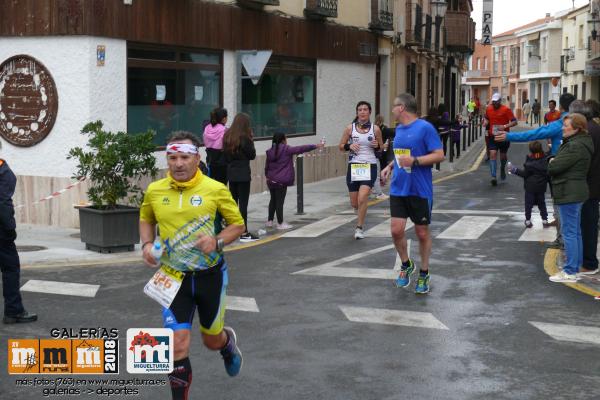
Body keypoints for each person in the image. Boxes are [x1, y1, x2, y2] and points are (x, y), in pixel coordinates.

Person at [138, 131, 246, 400]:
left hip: (210, 276)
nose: (178, 164)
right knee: (177, 344)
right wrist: (147, 245)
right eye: (172, 158)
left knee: (211, 341)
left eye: (184, 157)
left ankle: (226, 344)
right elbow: (145, 218)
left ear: (197, 158)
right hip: (173, 278)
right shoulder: (155, 190)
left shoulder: (215, 189)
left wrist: (217, 242)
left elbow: (238, 225)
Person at [380, 93, 445, 294]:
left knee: (422, 232)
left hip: (420, 189)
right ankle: (406, 265)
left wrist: (415, 161)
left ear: (401, 108)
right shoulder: (399, 129)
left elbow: (439, 155)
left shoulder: (425, 128)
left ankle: (424, 273)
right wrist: (390, 166)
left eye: (393, 106)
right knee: (396, 230)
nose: (391, 110)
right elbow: (402, 155)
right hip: (399, 187)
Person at [495, 93, 577, 248]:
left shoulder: (560, 124)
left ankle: (562, 240)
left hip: (559, 169)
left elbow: (534, 134)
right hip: (580, 173)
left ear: (560, 107)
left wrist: (509, 136)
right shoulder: (583, 124)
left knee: (559, 204)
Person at [547, 113, 593, 283]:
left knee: (570, 233)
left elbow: (555, 167)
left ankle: (570, 271)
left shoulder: (574, 146)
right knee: (575, 232)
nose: (562, 128)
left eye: (566, 125)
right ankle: (575, 266)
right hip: (575, 191)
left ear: (576, 128)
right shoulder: (581, 142)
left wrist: (552, 161)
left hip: (569, 192)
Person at [0, 148, 37, 324]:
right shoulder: (2, 171)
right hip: (1, 233)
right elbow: (3, 205)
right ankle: (13, 311)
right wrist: (10, 229)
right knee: (10, 268)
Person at [338, 101, 384, 239]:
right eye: (360, 110)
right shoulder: (349, 129)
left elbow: (382, 148)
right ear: (357, 112)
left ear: (369, 112)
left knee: (363, 197)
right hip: (354, 166)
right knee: (355, 202)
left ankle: (359, 228)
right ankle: (359, 209)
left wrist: (377, 146)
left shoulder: (375, 129)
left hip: (369, 165)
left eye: (365, 109)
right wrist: (349, 146)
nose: (362, 112)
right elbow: (341, 146)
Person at [264, 133, 323, 229]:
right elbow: (301, 148)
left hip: (271, 180)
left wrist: (267, 176)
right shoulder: (286, 149)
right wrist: (315, 145)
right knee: (279, 202)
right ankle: (280, 223)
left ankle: (269, 221)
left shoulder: (270, 151)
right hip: (281, 181)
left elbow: (267, 166)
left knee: (273, 200)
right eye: (286, 138)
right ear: (283, 140)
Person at [224, 113, 258, 242]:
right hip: (243, 174)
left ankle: (232, 230)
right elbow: (252, 155)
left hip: (231, 173)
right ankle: (244, 232)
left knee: (233, 203)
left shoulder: (228, 136)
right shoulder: (245, 138)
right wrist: (251, 140)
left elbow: (226, 156)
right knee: (243, 205)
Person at [578, 100, 600, 275]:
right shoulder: (596, 128)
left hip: (589, 186)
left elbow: (585, 160)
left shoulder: (590, 131)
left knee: (588, 225)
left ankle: (589, 263)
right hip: (594, 184)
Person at [508, 141, 549, 228]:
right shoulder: (546, 159)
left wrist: (514, 170)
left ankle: (527, 220)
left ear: (531, 150)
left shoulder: (529, 163)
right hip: (541, 186)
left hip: (530, 187)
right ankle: (545, 220)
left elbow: (524, 174)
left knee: (528, 204)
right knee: (542, 203)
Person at [482, 93, 518, 186]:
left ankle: (502, 168)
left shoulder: (506, 109)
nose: (494, 103)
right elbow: (486, 118)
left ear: (500, 101)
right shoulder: (489, 108)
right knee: (493, 154)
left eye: (496, 102)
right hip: (492, 136)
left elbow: (514, 122)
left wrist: (505, 126)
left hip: (503, 136)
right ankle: (493, 176)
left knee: (503, 156)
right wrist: (485, 123)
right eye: (493, 102)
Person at [203, 107, 228, 185]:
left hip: (210, 160)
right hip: (222, 162)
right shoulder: (225, 130)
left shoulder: (207, 128)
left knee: (212, 185)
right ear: (224, 119)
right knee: (221, 186)